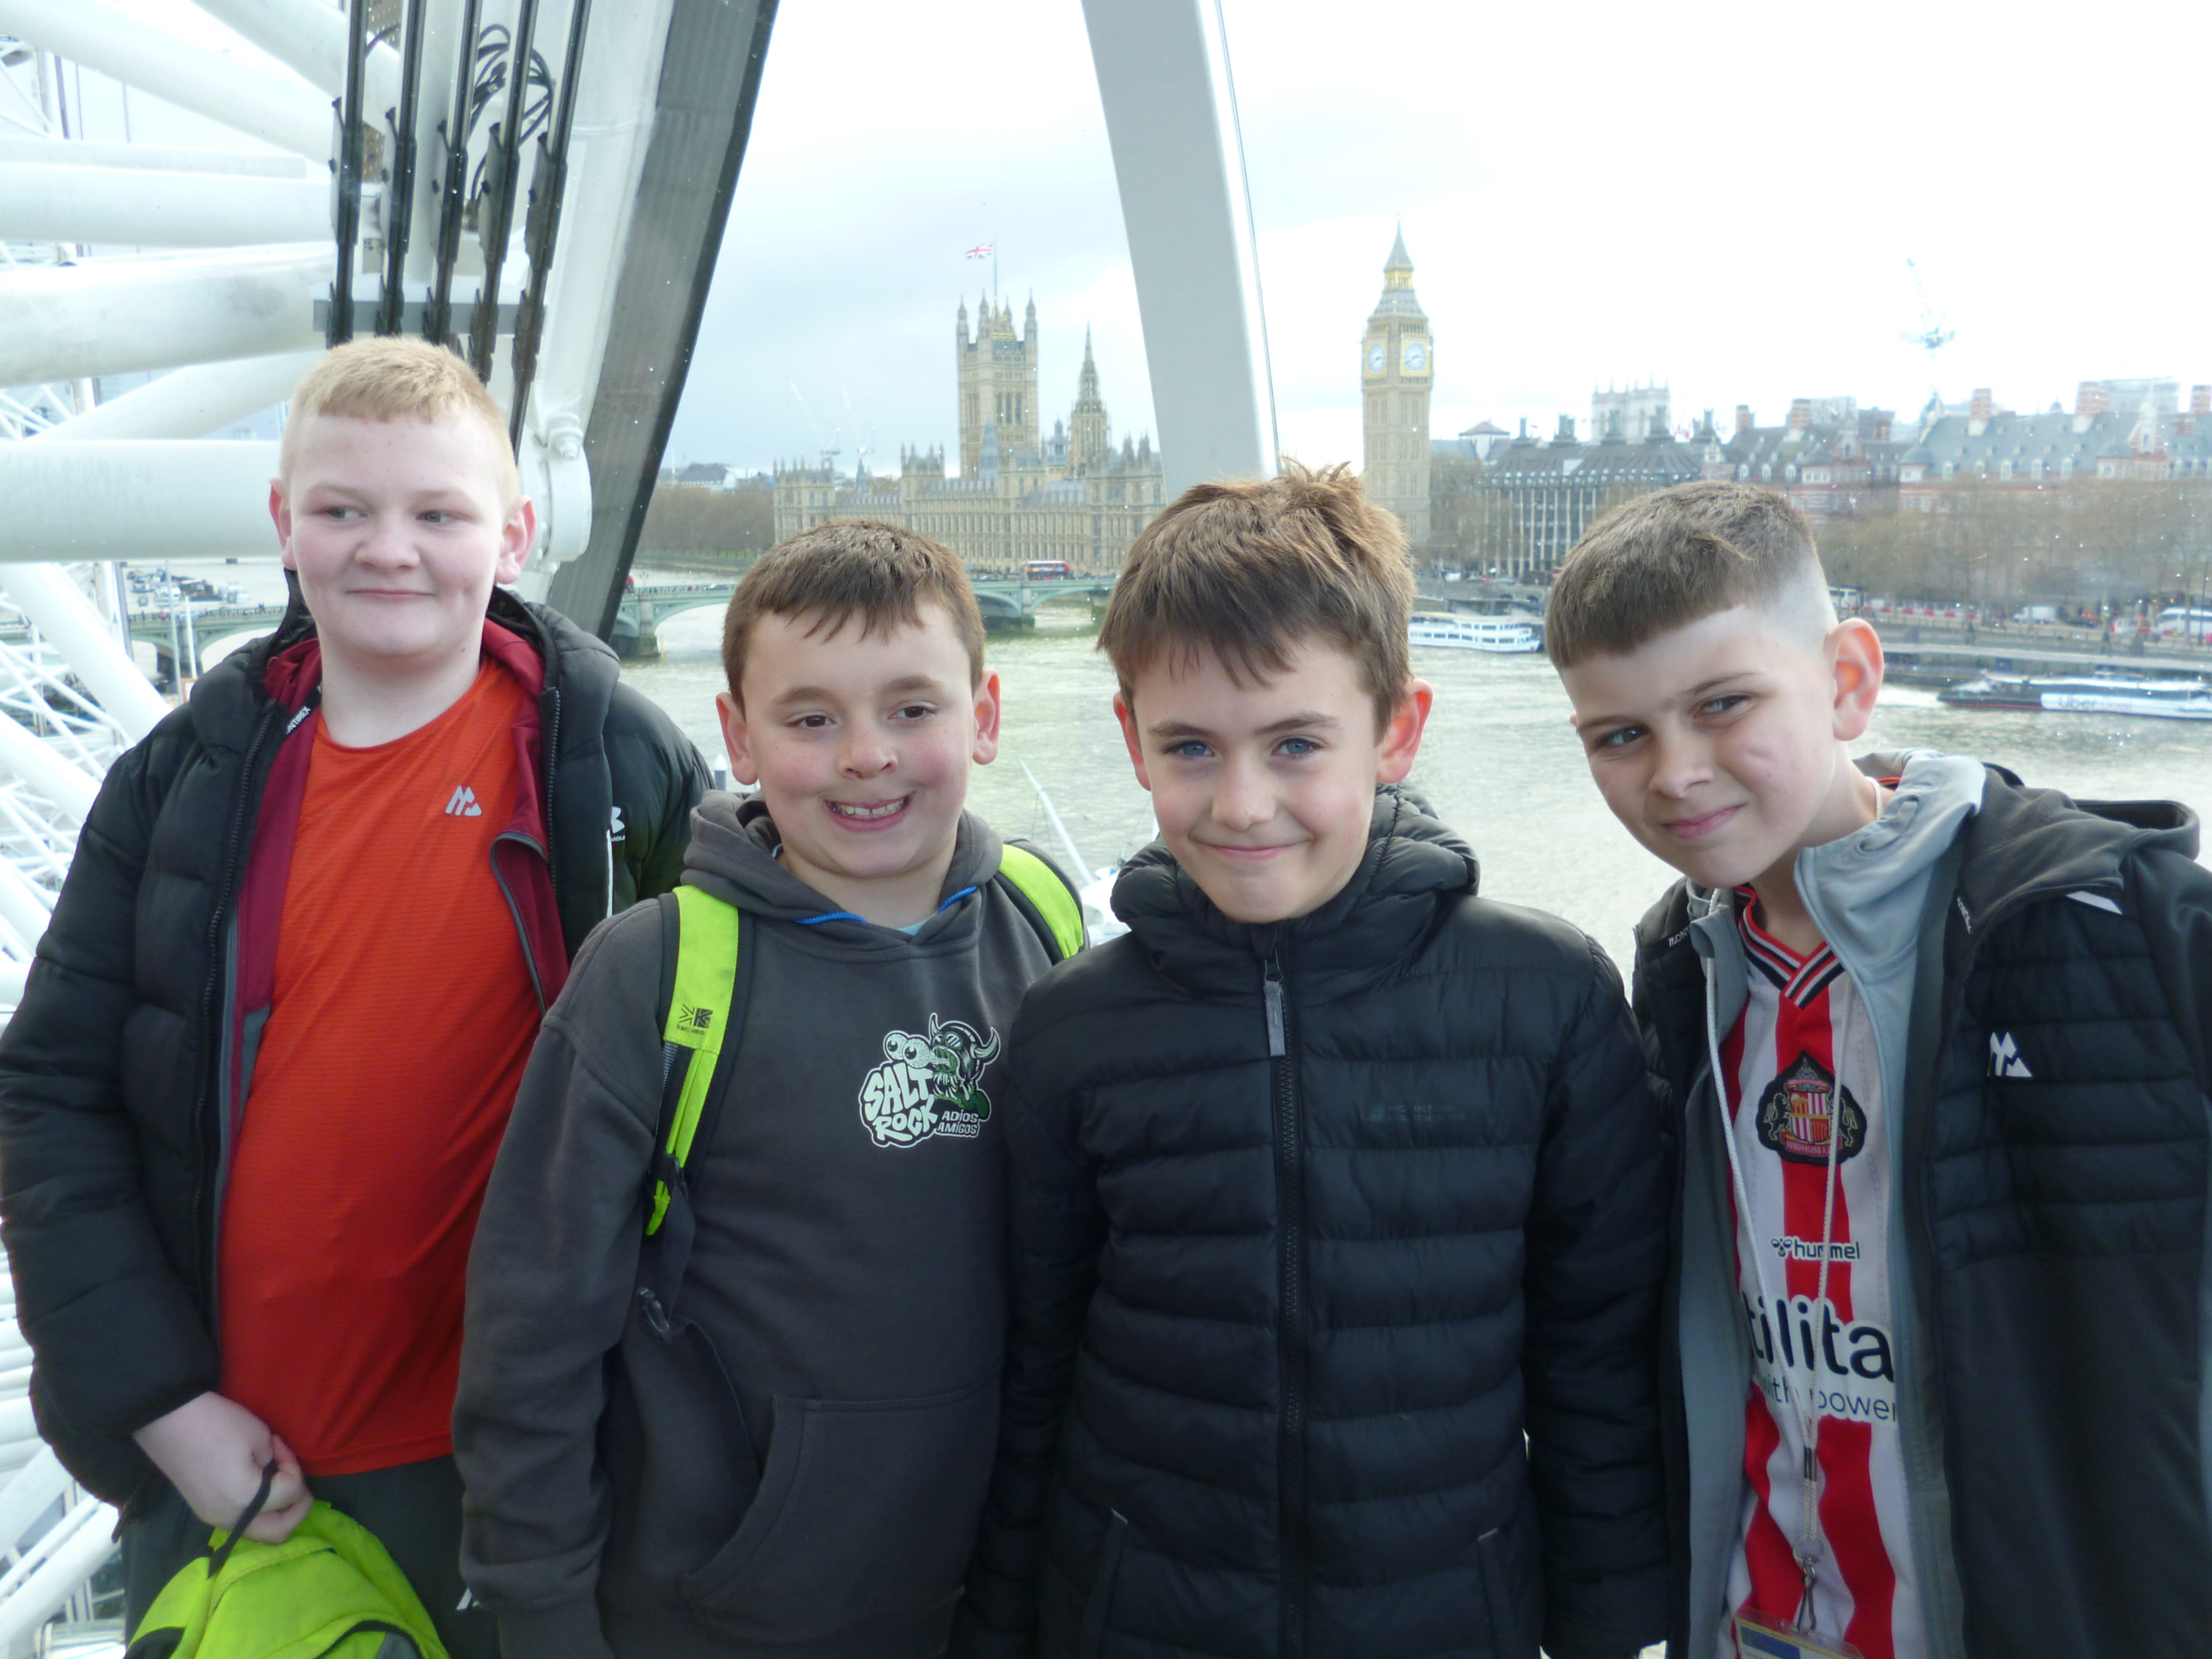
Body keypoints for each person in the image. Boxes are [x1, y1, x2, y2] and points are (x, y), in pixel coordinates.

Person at [0, 336, 707, 1656]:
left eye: (439, 515)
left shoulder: (621, 766)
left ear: (515, 536)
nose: (390, 550)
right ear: (284, 524)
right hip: (234, 1470)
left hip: (532, 1466)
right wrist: (160, 1409)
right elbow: (49, 1095)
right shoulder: (177, 781)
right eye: (343, 511)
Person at [952, 464, 1669, 1659]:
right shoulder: (1073, 1029)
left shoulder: (1546, 999)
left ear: (1397, 732)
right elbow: (1037, 1370)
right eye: (1192, 747)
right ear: (1132, 742)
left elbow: (1594, 1366)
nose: (1243, 804)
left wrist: (1607, 1629)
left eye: (1295, 744)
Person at [1546, 479, 2212, 1659]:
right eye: (1621, 734)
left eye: (1723, 704)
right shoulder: (1679, 969)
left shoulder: (2118, 925)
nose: (1676, 772)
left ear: (1849, 680)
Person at [453, 520, 1082, 1657]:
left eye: (913, 709)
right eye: (811, 720)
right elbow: (531, 1332)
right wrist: (540, 1613)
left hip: (996, 1594)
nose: (867, 756)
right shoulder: (658, 973)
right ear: (739, 738)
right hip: (725, 1617)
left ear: (984, 718)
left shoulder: (1044, 922)